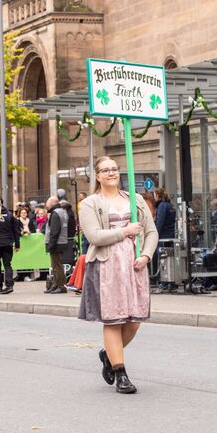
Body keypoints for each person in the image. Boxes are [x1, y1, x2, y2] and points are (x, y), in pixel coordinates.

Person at [78, 156, 158, 394]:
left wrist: (146, 255)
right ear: (98, 176)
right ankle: (120, 373)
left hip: (134, 266)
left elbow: (151, 231)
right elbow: (94, 236)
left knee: (134, 320)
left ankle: (108, 354)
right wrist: (125, 231)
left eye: (114, 169)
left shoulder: (136, 199)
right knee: (114, 319)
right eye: (105, 170)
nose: (111, 173)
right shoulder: (90, 203)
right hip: (107, 267)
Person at [0, 202, 20, 295]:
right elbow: (16, 230)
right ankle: (9, 285)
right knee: (7, 264)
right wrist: (17, 244)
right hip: (8, 243)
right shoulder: (9, 215)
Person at [44, 196, 69, 294]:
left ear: (52, 203)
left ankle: (61, 286)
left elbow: (54, 231)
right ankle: (55, 284)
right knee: (55, 265)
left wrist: (51, 245)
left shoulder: (55, 213)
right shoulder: (61, 211)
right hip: (61, 242)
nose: (46, 205)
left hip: (56, 243)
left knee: (57, 266)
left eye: (47, 202)